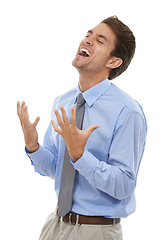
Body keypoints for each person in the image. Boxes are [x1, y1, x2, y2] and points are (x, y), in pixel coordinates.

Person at [17, 16, 147, 240]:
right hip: (55, 225)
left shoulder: (127, 111)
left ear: (114, 61)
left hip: (96, 231)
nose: (87, 40)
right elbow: (56, 169)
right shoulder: (63, 101)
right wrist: (34, 146)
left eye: (100, 40)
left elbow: (124, 185)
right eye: (88, 34)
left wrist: (80, 155)